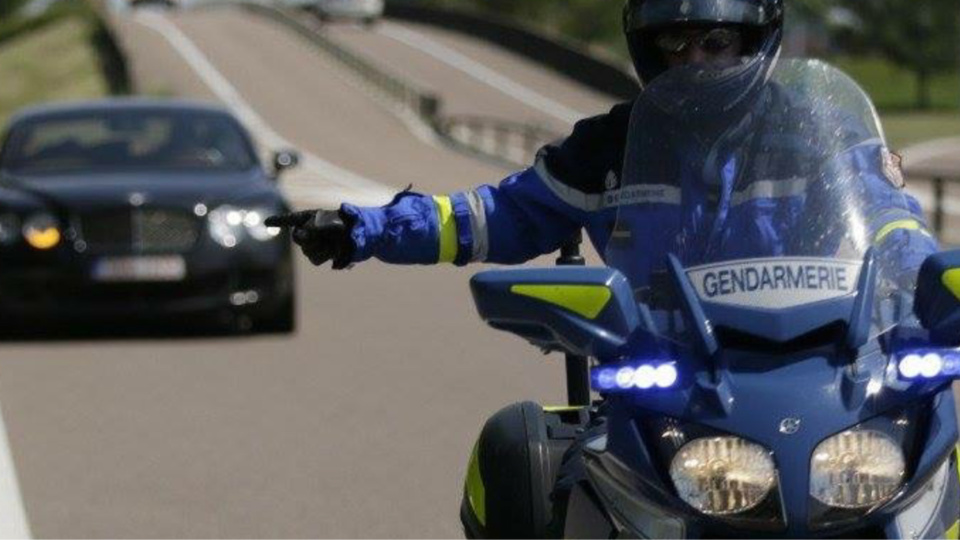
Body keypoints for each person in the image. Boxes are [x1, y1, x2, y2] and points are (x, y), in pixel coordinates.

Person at [268, 0, 936, 535]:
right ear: (649, 48)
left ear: (756, 40)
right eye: (677, 43)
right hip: (667, 391)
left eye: (716, 41)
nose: (695, 60)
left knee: (934, 449)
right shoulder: (606, 149)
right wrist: (365, 230)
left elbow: (891, 222)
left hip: (827, 374)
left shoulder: (820, 137)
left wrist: (929, 282)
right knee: (534, 476)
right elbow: (496, 215)